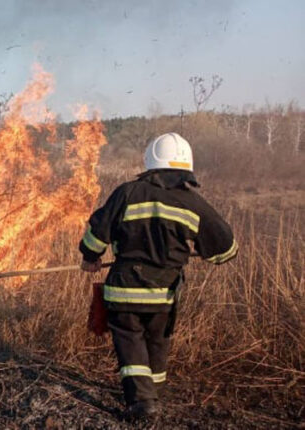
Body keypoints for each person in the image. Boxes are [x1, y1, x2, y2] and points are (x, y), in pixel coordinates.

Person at [79, 132, 237, 421]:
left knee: (130, 340)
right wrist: (204, 250)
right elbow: (225, 249)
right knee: (157, 340)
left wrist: (90, 258)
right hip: (164, 293)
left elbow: (97, 233)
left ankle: (143, 402)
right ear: (186, 168)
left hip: (125, 290)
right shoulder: (194, 204)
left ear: (150, 163)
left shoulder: (127, 193)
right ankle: (154, 393)